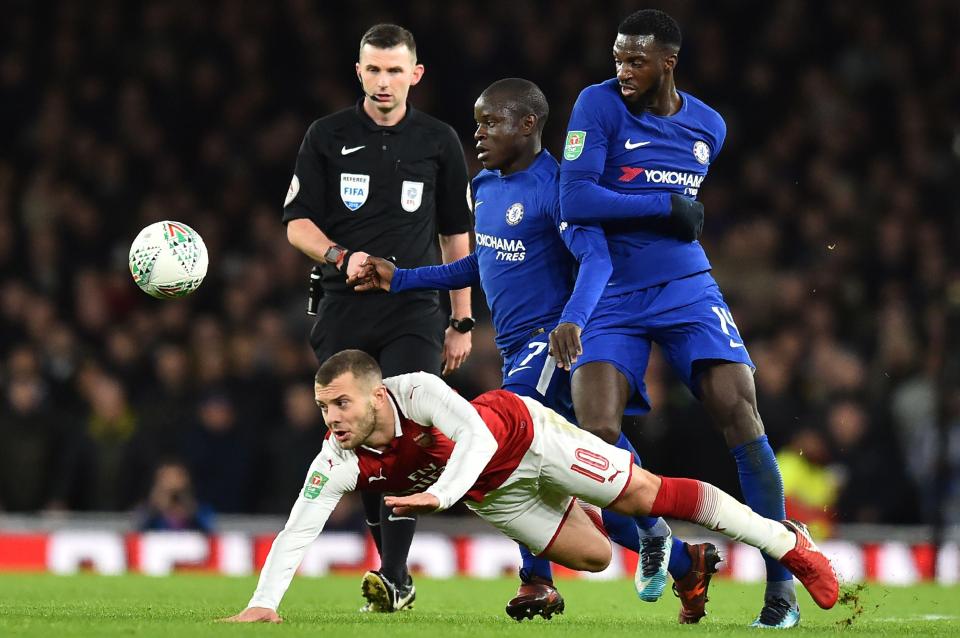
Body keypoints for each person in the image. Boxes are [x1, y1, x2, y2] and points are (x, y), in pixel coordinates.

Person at [350, 78, 718, 622]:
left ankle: (539, 579)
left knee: (503, 439)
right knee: (583, 472)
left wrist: (571, 322)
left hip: (556, 345)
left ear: (527, 125)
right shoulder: (485, 187)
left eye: (490, 122)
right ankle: (682, 558)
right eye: (476, 122)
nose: (478, 133)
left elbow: (597, 262)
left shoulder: (558, 189)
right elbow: (482, 264)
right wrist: (401, 278)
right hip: (516, 345)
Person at [220, 350, 838, 624]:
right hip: (498, 495)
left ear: (375, 394)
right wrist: (265, 602)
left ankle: (785, 543)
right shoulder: (339, 458)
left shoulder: (417, 392)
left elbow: (479, 442)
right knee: (594, 558)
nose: (331, 418)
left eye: (341, 403)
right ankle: (672, 552)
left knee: (640, 495)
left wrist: (439, 496)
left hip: (526, 436)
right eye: (323, 406)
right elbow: (297, 529)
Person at [558, 9, 799, 627]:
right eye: (617, 58)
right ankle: (655, 528)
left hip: (688, 290)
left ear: (669, 61)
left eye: (636, 60)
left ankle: (780, 586)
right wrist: (663, 204)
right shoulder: (598, 104)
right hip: (610, 291)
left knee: (740, 414)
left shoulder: (709, 127)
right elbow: (576, 196)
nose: (623, 71)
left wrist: (663, 214)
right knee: (597, 437)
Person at [281, 23, 474, 612]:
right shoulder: (327, 135)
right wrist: (343, 256)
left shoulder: (439, 140)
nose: (384, 80)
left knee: (405, 430)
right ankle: (394, 573)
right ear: (359, 72)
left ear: (415, 74)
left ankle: (392, 572)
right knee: (362, 435)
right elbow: (297, 223)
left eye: (396, 70)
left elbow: (455, 233)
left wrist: (461, 319)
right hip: (342, 307)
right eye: (374, 69)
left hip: (414, 308)